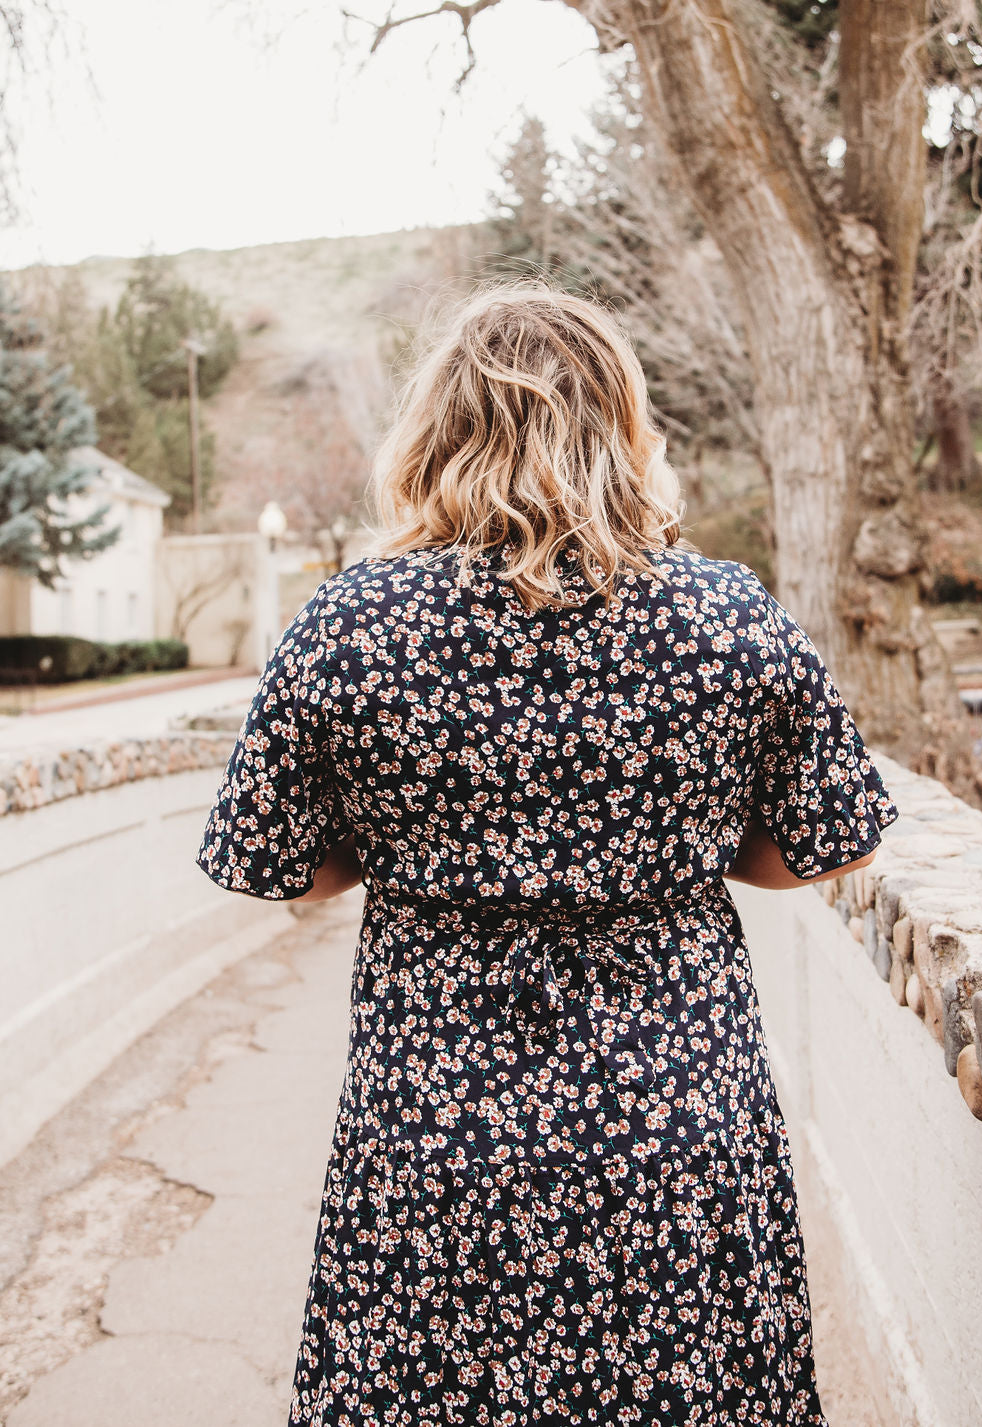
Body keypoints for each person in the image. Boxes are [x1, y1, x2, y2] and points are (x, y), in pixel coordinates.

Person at [195, 282, 898, 1427]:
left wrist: (430, 830)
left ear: (436, 435)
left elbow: (283, 868)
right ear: (620, 425)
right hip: (675, 1110)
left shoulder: (346, 625)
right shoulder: (729, 616)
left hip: (433, 1119)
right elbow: (809, 849)